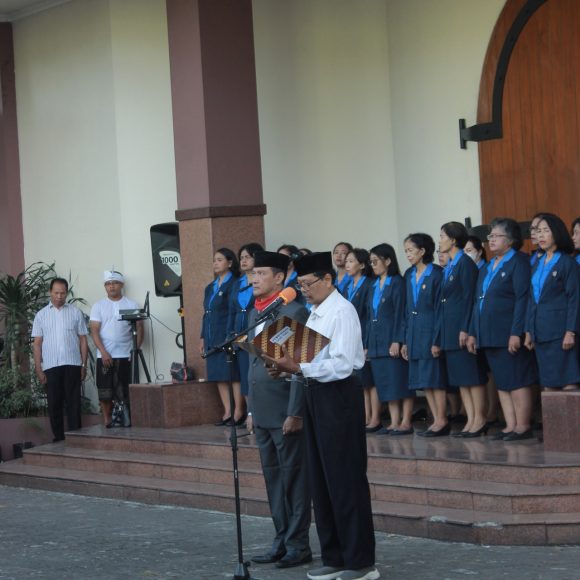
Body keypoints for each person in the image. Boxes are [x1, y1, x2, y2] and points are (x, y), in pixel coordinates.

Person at [264, 251, 379, 580]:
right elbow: (304, 361)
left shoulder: (341, 312)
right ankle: (335, 555)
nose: (304, 290)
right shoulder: (314, 313)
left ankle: (359, 561)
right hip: (316, 395)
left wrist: (297, 366)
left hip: (339, 398)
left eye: (308, 284)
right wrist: (285, 371)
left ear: (328, 279)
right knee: (321, 479)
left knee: (345, 478)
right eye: (299, 285)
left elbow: (343, 364)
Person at [245, 251, 312, 570]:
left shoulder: (295, 311)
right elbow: (251, 363)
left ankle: (298, 544)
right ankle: (280, 538)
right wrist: (249, 409)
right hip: (262, 410)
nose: (253, 278)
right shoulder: (255, 313)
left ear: (279, 278)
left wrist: (295, 411)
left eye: (260, 273)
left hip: (286, 409)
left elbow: (301, 365)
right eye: (252, 273)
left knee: (293, 479)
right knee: (273, 479)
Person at [467, 218, 537, 441]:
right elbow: (478, 301)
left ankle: (523, 426)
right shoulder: (488, 266)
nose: (491, 241)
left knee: (517, 380)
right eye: (490, 237)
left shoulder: (519, 262)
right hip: (489, 333)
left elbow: (522, 299)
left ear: (510, 240)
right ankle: (510, 425)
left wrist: (516, 332)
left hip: (508, 332)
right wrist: (472, 332)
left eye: (495, 236)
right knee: (502, 381)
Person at [437, 222, 488, 437]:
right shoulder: (450, 265)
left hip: (462, 327)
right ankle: (470, 418)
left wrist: (466, 328)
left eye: (442, 236)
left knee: (471, 376)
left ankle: (480, 419)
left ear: (454, 240)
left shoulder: (465, 264)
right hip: (449, 328)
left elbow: (469, 298)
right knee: (460, 378)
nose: (440, 241)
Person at [525, 213, 580, 392]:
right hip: (541, 333)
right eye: (538, 231)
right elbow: (532, 300)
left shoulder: (567, 263)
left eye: (545, 231)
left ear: (556, 233)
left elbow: (575, 299)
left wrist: (571, 331)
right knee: (548, 385)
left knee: (568, 384)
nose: (540, 235)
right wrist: (528, 331)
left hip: (561, 333)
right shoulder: (537, 263)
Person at [401, 233, 448, 436]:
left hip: (430, 330)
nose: (408, 255)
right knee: (423, 379)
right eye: (406, 251)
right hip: (414, 332)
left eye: (411, 250)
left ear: (422, 251)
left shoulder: (437, 273)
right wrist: (404, 340)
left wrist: (437, 339)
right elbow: (405, 310)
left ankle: (442, 419)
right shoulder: (409, 275)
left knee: (434, 378)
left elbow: (440, 310)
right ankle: (435, 418)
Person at [32, 278, 88, 442]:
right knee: (54, 403)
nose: (59, 296)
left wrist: (84, 365)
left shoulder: (75, 312)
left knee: (74, 402)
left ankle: (76, 437)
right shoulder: (41, 315)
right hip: (51, 365)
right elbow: (37, 344)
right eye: (56, 292)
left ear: (67, 293)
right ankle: (58, 437)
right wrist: (38, 368)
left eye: (62, 293)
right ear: (50, 292)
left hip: (72, 364)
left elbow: (83, 340)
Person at [367, 244, 413, 435]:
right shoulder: (373, 284)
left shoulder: (397, 283)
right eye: (371, 262)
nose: (373, 265)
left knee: (400, 381)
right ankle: (394, 421)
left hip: (391, 339)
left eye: (376, 261)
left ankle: (406, 421)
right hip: (376, 340)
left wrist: (397, 339)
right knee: (386, 383)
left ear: (388, 261)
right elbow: (371, 315)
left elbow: (401, 314)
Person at [90, 270, 143, 428]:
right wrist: (104, 352)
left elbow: (140, 328)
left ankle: (127, 418)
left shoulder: (131, 304)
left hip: (126, 354)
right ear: (105, 287)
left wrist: (135, 350)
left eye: (114, 283)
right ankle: (107, 419)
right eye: (108, 284)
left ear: (121, 284)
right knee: (105, 390)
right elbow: (94, 331)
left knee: (125, 389)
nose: (111, 286)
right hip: (104, 355)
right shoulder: (98, 306)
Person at [199, 248, 243, 425]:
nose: (215, 263)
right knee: (217, 374)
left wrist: (230, 334)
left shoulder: (235, 283)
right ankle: (227, 411)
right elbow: (206, 313)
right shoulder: (210, 286)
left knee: (232, 373)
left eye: (219, 260)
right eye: (214, 260)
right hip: (211, 334)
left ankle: (239, 411)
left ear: (230, 263)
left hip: (226, 332)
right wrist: (202, 337)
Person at [343, 248, 378, 431]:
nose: (346, 264)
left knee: (370, 381)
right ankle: (364, 415)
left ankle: (374, 417)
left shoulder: (369, 285)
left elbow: (368, 314)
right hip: (352, 336)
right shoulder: (348, 286)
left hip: (364, 334)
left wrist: (366, 341)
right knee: (361, 382)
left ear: (362, 265)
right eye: (346, 261)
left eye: (350, 261)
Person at [227, 242, 263, 403]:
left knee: (258, 376)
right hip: (240, 337)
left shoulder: (262, 282)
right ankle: (251, 416)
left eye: (247, 257)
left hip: (257, 335)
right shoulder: (237, 283)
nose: (243, 261)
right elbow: (232, 311)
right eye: (241, 257)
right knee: (245, 378)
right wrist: (231, 333)